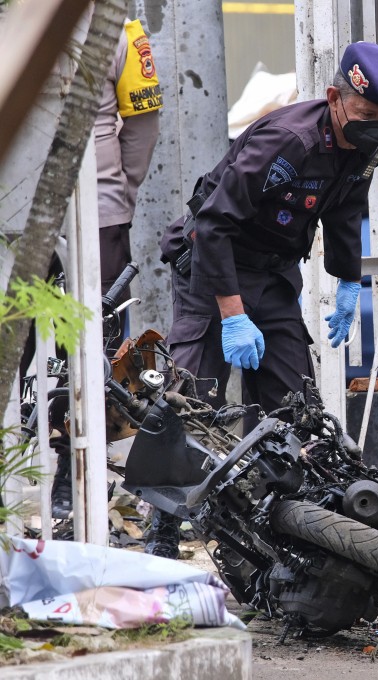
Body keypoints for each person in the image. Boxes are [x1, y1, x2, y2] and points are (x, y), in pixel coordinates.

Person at [152, 42, 378, 558]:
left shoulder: (368, 141)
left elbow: (346, 207)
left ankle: (272, 529)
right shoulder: (285, 139)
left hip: (272, 274)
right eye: (368, 115)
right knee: (193, 400)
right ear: (335, 97)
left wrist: (347, 280)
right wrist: (231, 314)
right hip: (213, 265)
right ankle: (162, 530)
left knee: (293, 408)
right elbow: (213, 224)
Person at [46, 18, 162, 519]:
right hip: (38, 210)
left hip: (86, 209)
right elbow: (142, 129)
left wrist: (118, 195)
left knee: (100, 350)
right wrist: (120, 192)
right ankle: (55, 468)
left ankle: (94, 476)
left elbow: (143, 123)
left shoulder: (121, 29)